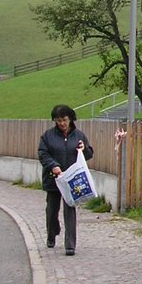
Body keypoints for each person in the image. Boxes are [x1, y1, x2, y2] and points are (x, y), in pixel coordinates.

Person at [38, 104, 94, 256]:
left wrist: (84, 150)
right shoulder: (47, 136)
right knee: (51, 211)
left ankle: (70, 245)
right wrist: (53, 166)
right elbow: (42, 154)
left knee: (70, 209)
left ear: (70, 119)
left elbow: (88, 155)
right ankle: (52, 233)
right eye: (58, 120)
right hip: (54, 179)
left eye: (64, 120)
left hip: (72, 180)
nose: (61, 123)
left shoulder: (79, 135)